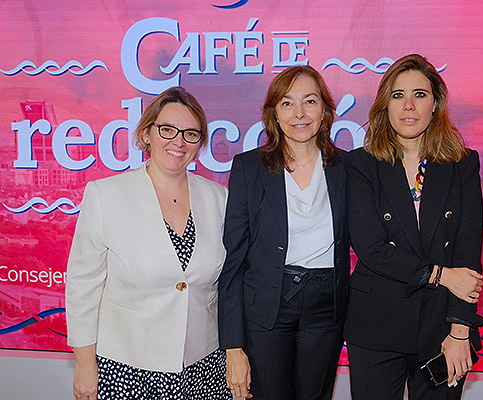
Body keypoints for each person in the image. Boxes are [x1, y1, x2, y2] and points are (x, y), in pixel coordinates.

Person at [66, 87, 231, 400]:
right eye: (167, 129)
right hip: (127, 368)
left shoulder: (219, 199)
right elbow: (82, 286)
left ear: (199, 144)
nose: (178, 141)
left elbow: (227, 286)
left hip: (204, 366)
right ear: (147, 133)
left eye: (191, 134)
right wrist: (85, 364)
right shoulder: (106, 195)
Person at [344, 54, 483, 399]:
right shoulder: (362, 165)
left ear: (436, 103)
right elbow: (372, 249)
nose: (409, 106)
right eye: (398, 95)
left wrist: (459, 331)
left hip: (442, 325)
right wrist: (442, 274)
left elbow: (467, 253)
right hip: (377, 324)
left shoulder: (462, 164)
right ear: (385, 106)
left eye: (420, 95)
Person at [218, 65, 350, 400]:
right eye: (287, 103)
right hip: (266, 307)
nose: (300, 113)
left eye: (310, 101)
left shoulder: (349, 169)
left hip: (327, 308)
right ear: (274, 113)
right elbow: (233, 262)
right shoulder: (249, 168)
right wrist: (233, 347)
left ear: (325, 110)